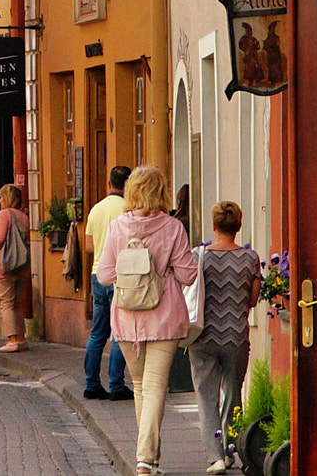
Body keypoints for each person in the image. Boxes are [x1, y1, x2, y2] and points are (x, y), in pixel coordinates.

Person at [94, 165, 197, 476]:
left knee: (140, 387)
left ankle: (149, 458)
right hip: (164, 317)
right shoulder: (173, 227)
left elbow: (104, 275)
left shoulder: (117, 226)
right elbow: (188, 274)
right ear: (160, 191)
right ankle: (145, 459)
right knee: (154, 388)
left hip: (126, 319)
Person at [188, 202, 259, 475]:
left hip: (202, 335)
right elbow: (252, 300)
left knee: (206, 397)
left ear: (214, 226)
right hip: (236, 336)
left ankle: (214, 456)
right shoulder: (250, 259)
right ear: (238, 226)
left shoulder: (198, 256)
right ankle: (231, 449)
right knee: (233, 394)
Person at [81, 165, 132, 400]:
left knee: (98, 332)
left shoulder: (96, 209)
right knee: (119, 332)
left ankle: (91, 384)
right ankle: (116, 384)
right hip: (122, 275)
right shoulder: (129, 210)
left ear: (109, 183)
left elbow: (89, 247)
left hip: (98, 273)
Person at [0, 183, 31, 352]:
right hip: (22, 265)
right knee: (17, 303)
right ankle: (21, 337)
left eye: (1, 197)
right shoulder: (24, 216)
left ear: (7, 198)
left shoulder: (4, 215)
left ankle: (12, 339)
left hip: (6, 264)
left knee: (6, 303)